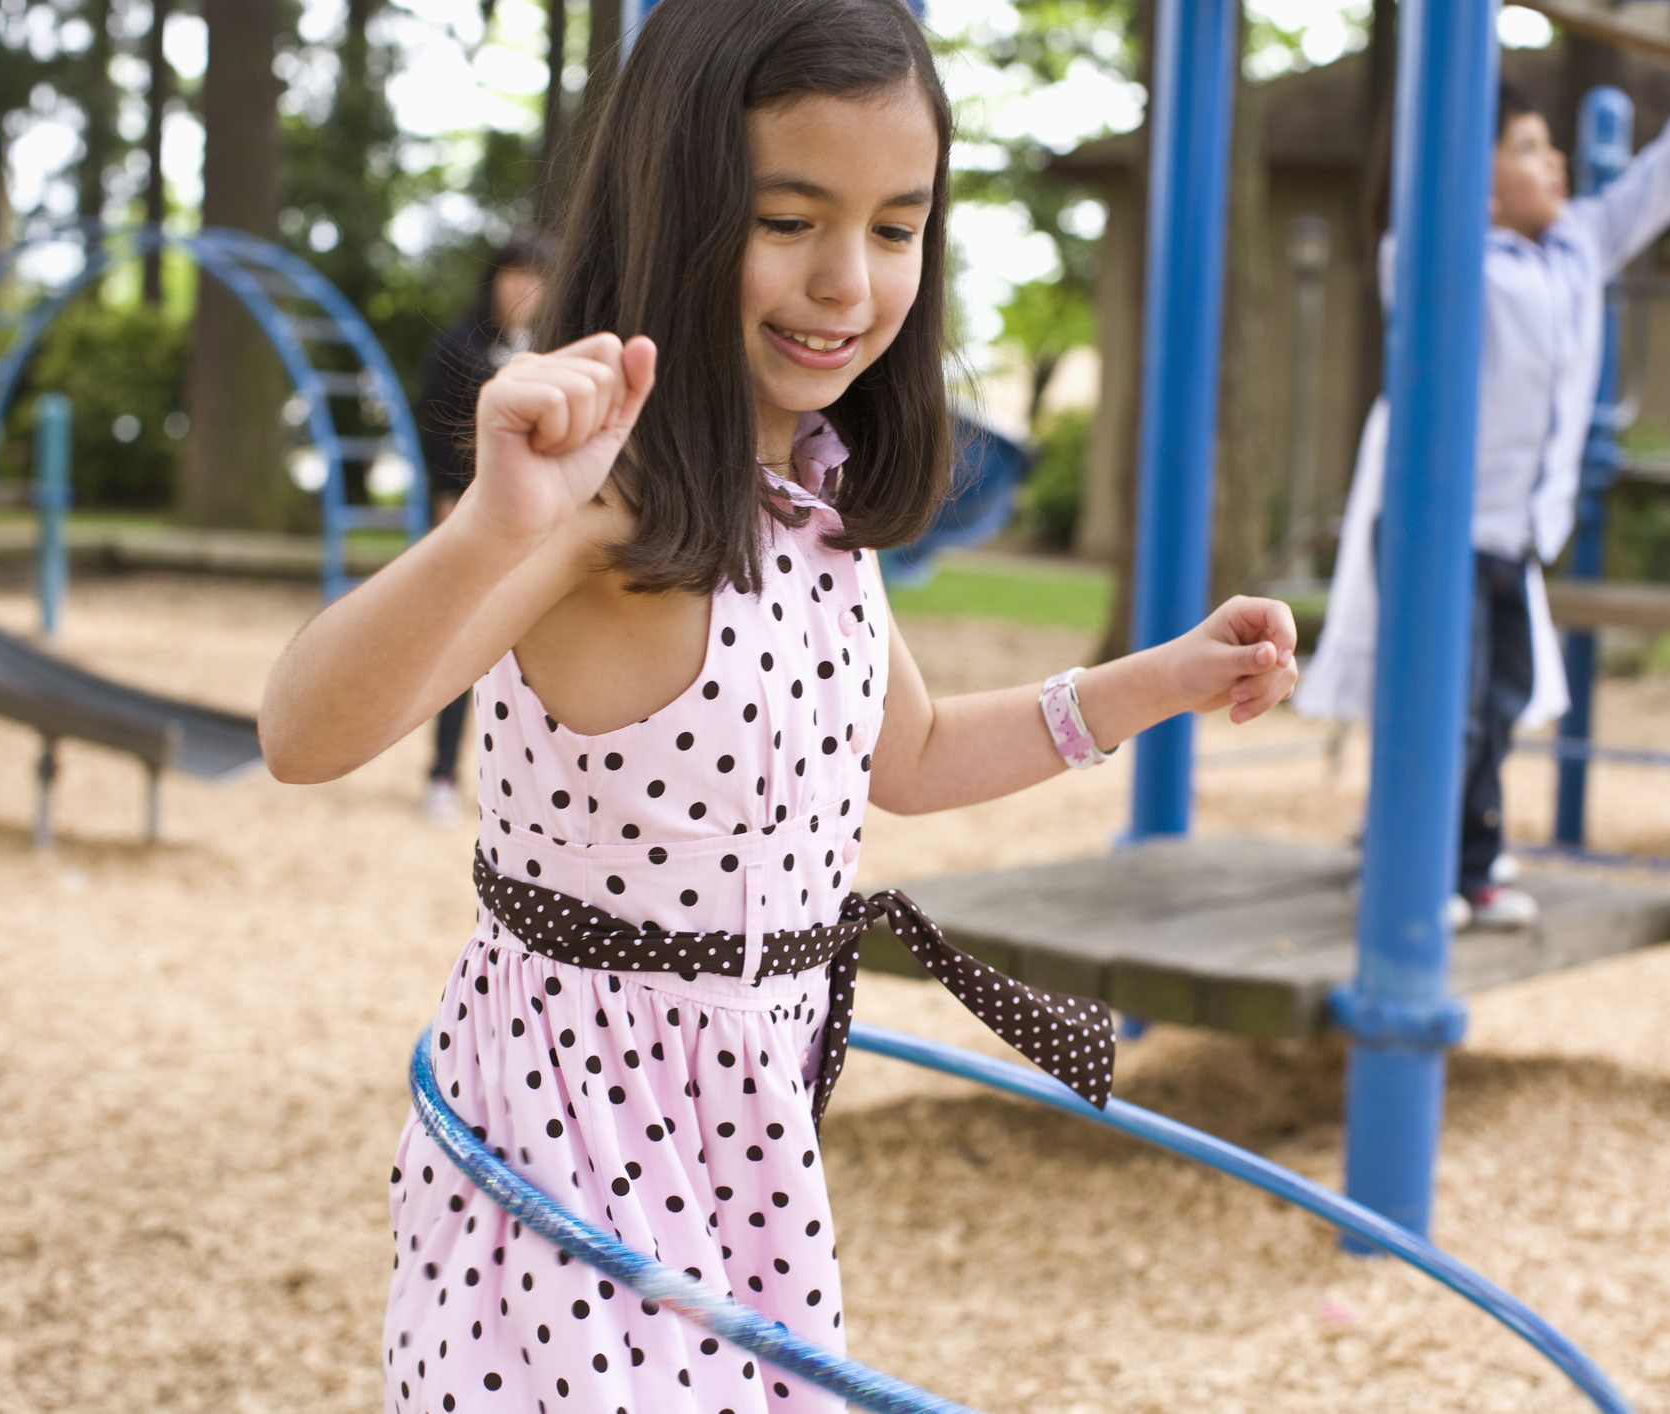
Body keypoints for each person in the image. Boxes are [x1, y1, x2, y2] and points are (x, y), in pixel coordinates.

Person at [258, 0, 1299, 1407]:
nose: (848, 283)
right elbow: (303, 733)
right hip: (571, 1122)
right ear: (678, 209)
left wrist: (1160, 678)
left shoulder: (819, 509)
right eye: (789, 218)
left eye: (894, 227)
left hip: (751, 1126)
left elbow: (912, 757)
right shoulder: (598, 506)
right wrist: (488, 531)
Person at [1295, 3, 1670, 929]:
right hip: (1434, 526)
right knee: (1445, 705)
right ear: (1474, 178)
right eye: (1527, 147)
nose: (1554, 163)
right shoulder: (1434, 254)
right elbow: (1428, 236)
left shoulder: (1574, 249)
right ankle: (1408, 863)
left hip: (1514, 530)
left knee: (1499, 703)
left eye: (1550, 148)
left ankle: (1470, 865)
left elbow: (1657, 186)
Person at [419, 236, 555, 826]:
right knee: (457, 642)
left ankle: (531, 789)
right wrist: (447, 500)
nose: (521, 287)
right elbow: (435, 425)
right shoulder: (459, 346)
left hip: (544, 524)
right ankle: (442, 773)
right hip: (472, 512)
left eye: (535, 276)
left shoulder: (561, 348)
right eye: (512, 274)